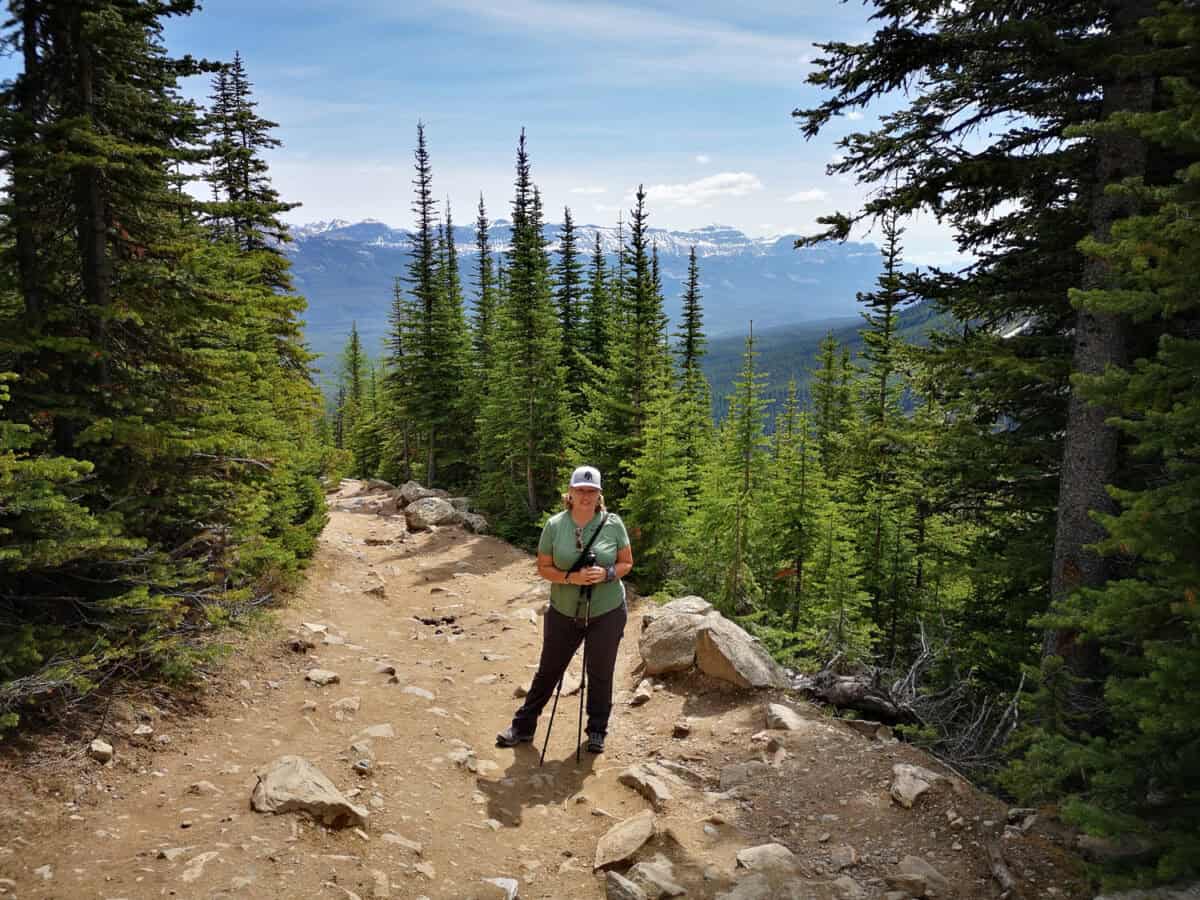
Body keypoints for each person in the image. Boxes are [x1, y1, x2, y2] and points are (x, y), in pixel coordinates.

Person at [496, 465, 634, 754]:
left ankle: (597, 730)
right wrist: (572, 578)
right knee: (549, 670)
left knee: (600, 672)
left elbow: (626, 563)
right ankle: (523, 726)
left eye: (591, 491)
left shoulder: (613, 523)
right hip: (564, 610)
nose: (586, 495)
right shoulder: (555, 525)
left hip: (607, 610)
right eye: (580, 490)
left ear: (599, 495)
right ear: (570, 493)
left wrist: (606, 574)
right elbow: (543, 568)